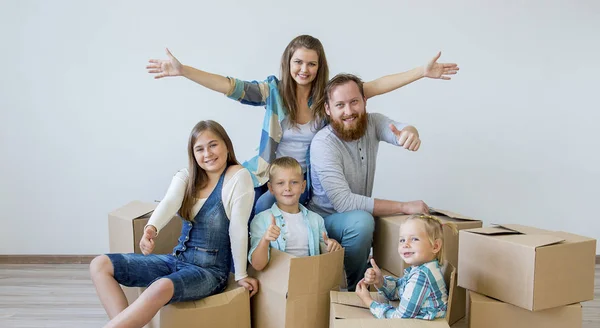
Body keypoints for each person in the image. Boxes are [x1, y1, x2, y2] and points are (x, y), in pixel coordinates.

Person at [43, 120, 258, 328]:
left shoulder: (238, 177)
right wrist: (151, 228)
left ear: (226, 144)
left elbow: (238, 228)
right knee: (101, 264)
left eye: (213, 145)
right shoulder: (188, 175)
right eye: (199, 149)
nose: (207, 154)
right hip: (177, 261)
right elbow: (169, 202)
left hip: (208, 272)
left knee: (158, 288)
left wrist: (240, 274)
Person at [146, 35, 458, 214]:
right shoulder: (273, 92)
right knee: (228, 209)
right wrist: (183, 70)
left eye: (311, 63)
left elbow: (375, 85)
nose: (304, 69)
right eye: (298, 62)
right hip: (264, 173)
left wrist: (421, 71)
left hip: (302, 181)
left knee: (260, 212)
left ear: (319, 66)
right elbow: (230, 86)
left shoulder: (328, 100)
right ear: (288, 62)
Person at [308, 73, 431, 290]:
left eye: (354, 102)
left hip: (353, 215)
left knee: (368, 220)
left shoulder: (373, 122)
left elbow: (401, 128)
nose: (348, 111)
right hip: (323, 221)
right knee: (362, 222)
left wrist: (409, 134)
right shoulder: (323, 144)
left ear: (364, 101)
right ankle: (352, 288)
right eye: (340, 105)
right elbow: (344, 203)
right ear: (328, 109)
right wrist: (403, 206)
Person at [248, 156, 341, 271]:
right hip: (278, 284)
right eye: (280, 183)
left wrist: (333, 245)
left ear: (303, 186)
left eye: (294, 182)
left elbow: (325, 252)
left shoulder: (316, 220)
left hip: (309, 279)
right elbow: (257, 265)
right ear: (271, 188)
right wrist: (265, 240)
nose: (287, 188)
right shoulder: (261, 220)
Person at [356, 214, 456, 319]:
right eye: (402, 240)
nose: (405, 244)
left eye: (414, 239)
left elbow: (400, 319)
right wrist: (380, 281)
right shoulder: (420, 269)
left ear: (435, 246)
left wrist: (368, 302)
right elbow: (399, 291)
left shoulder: (422, 277)